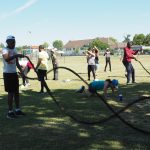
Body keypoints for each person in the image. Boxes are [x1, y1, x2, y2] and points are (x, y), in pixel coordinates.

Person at [2, 35, 25, 119]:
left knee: (16, 92)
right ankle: (10, 112)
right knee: (10, 93)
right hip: (7, 74)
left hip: (14, 73)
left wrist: (22, 72)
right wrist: (16, 55)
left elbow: (17, 63)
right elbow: (7, 59)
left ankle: (17, 110)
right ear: (7, 42)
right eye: (12, 42)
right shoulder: (5, 50)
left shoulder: (14, 49)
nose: (14, 43)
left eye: (14, 42)